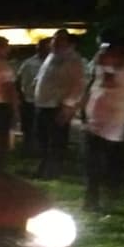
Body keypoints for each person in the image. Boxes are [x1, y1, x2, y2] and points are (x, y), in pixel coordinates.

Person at [81, 40, 124, 212]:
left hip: (110, 125)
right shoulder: (112, 68)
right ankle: (94, 197)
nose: (102, 57)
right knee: (93, 162)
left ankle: (101, 196)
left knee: (100, 162)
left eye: (108, 54)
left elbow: (108, 81)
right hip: (97, 121)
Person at [33, 29, 86, 179]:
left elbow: (78, 85)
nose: (55, 42)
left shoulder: (73, 60)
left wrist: (68, 105)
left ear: (68, 42)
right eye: (54, 39)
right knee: (43, 138)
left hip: (58, 106)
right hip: (43, 104)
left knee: (56, 141)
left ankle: (53, 171)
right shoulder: (52, 56)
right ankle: (44, 167)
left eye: (60, 40)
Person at [16, 37, 50, 156]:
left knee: (44, 128)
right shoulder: (29, 63)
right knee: (29, 127)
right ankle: (28, 150)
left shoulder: (54, 63)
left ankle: (43, 151)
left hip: (47, 102)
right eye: (43, 47)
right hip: (30, 100)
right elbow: (19, 81)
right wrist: (21, 97)